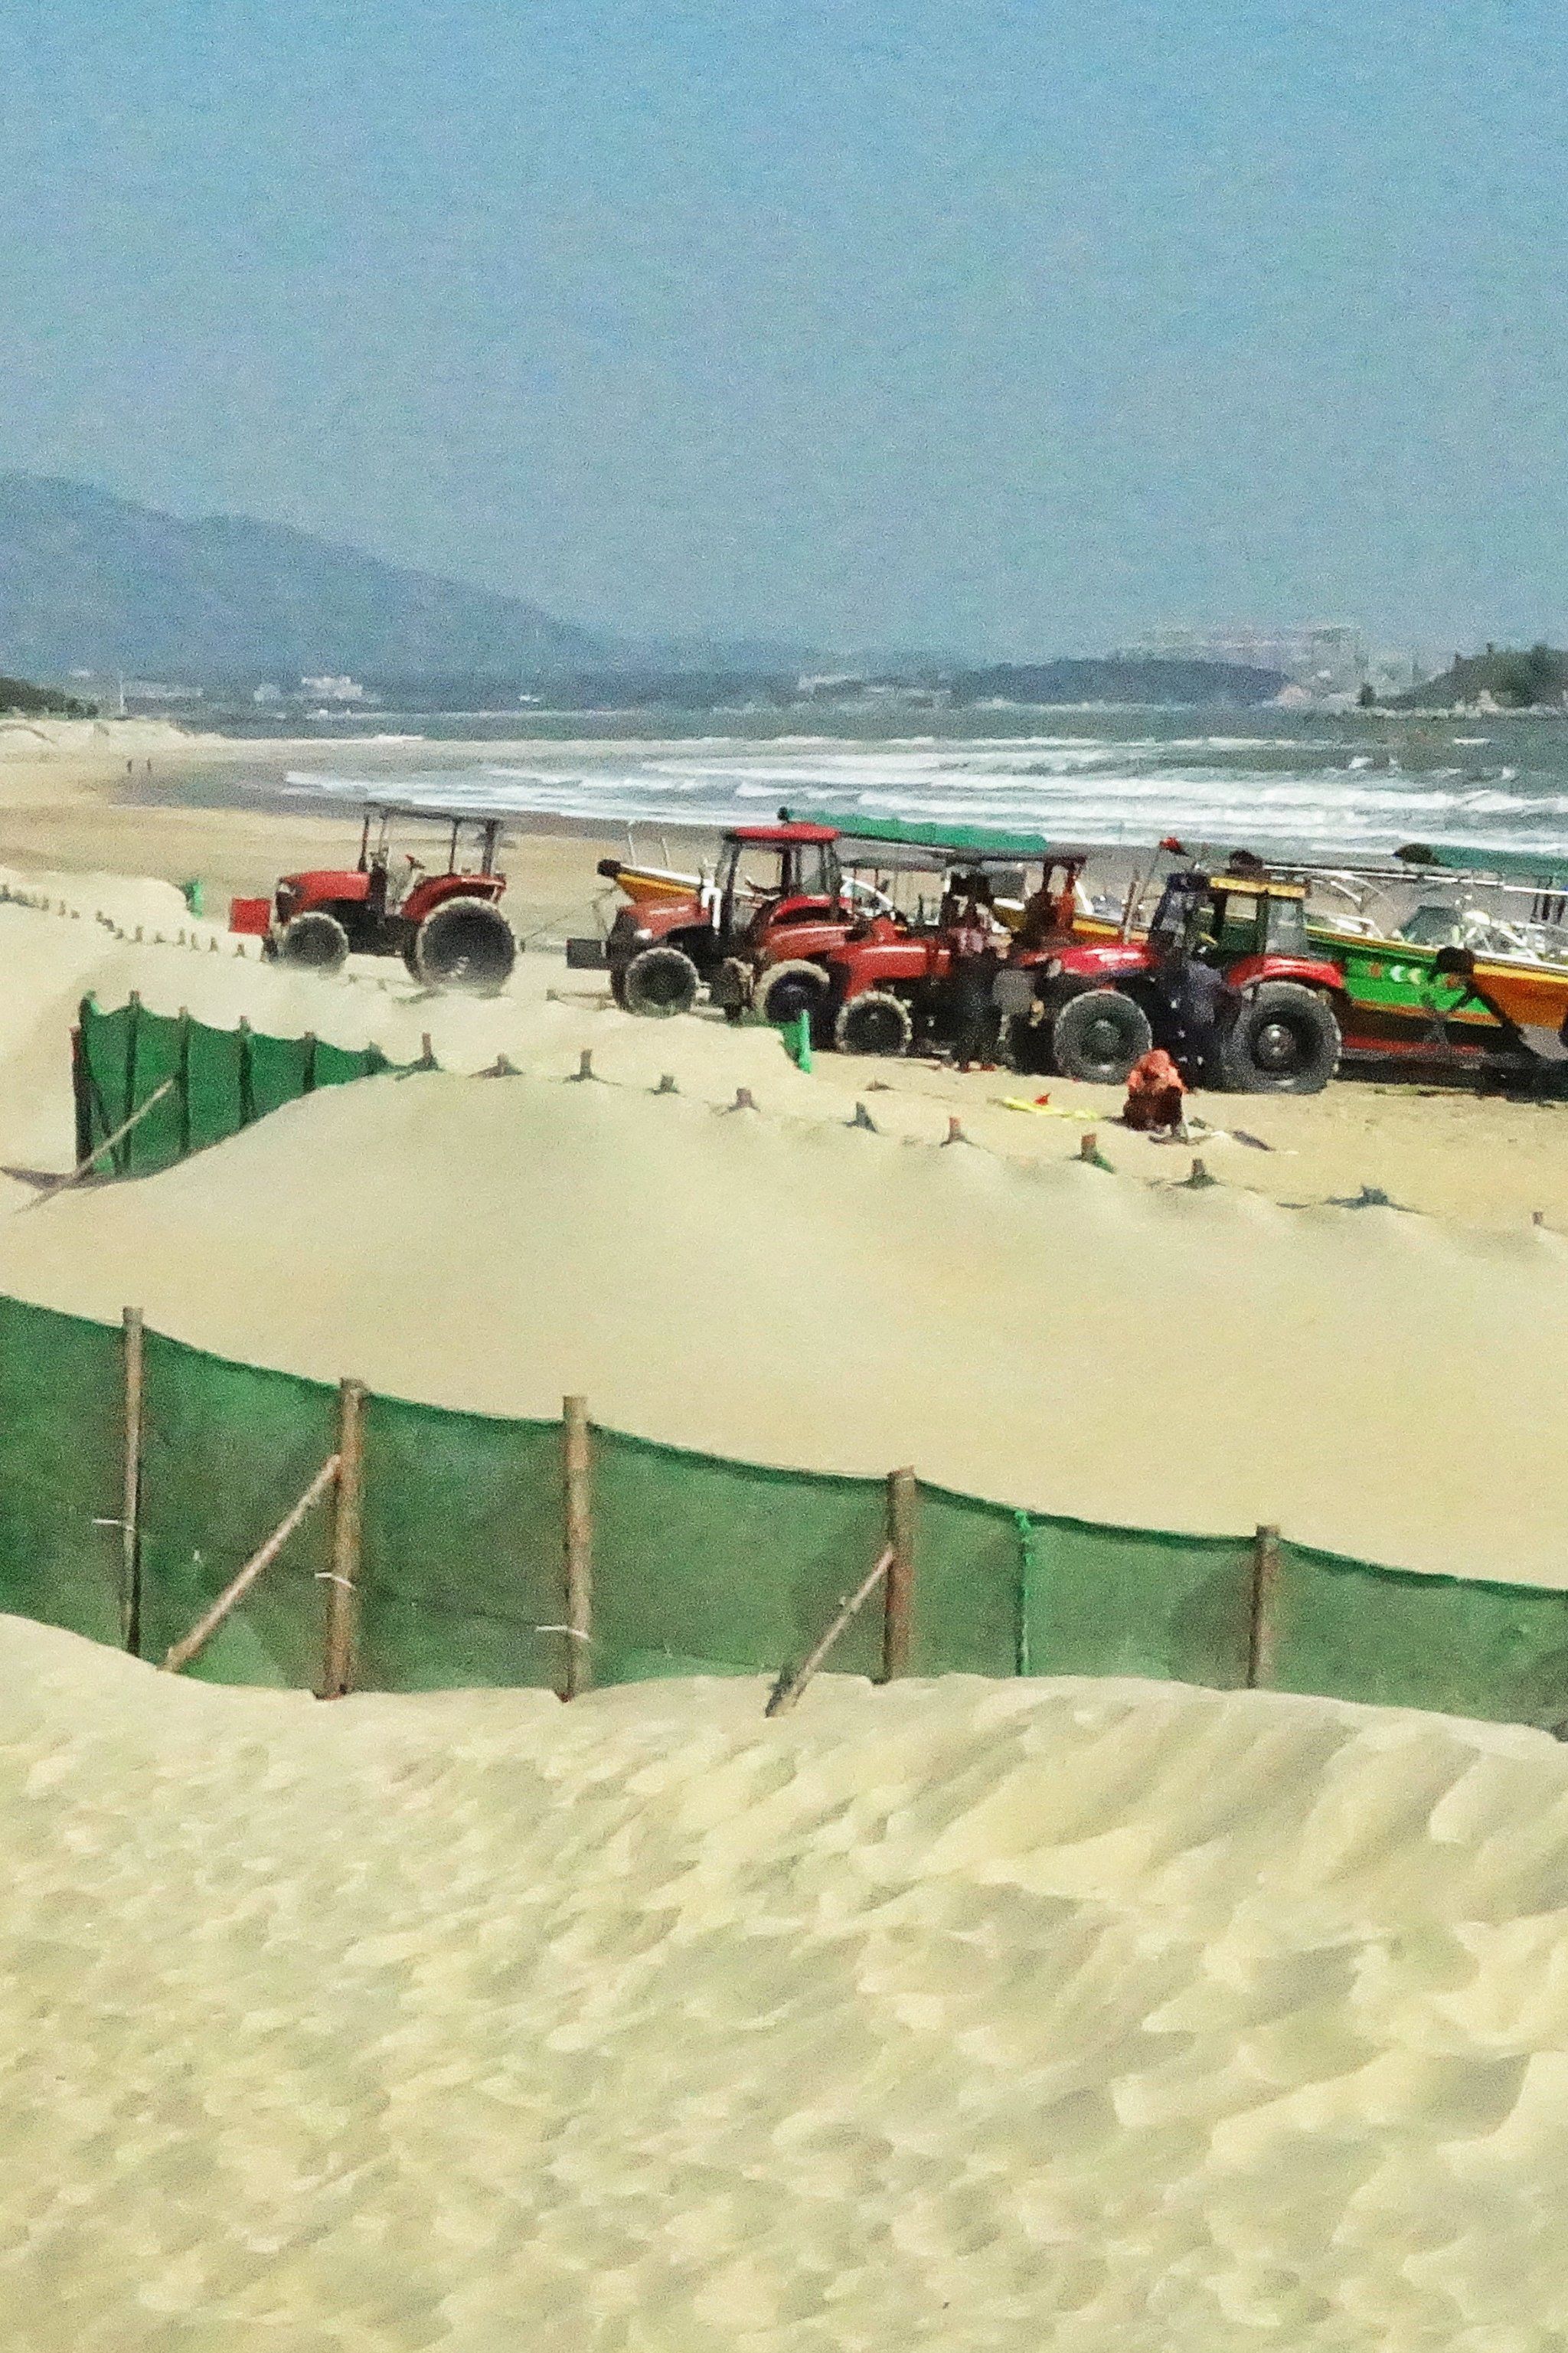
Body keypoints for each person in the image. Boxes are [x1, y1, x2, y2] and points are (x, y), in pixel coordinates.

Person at [945, 873, 999, 1070]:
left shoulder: (963, 931)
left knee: (980, 1020)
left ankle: (971, 1059)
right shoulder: (971, 934)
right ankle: (963, 1061)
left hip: (971, 974)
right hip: (972, 975)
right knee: (975, 1021)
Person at [1122, 1048, 1187, 1135]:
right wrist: (1149, 1089)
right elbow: (1133, 1093)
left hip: (1160, 1109)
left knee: (1174, 1094)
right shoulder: (1138, 1073)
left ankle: (1176, 1126)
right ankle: (1154, 1123)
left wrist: (1163, 1086)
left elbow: (1178, 1090)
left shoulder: (1170, 1072)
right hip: (1143, 1108)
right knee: (1131, 1110)